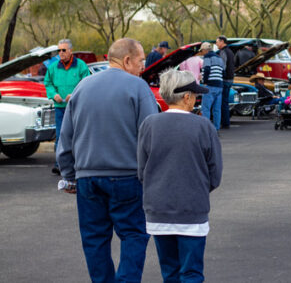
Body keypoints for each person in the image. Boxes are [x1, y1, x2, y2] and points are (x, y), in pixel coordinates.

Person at [56, 38, 157, 283]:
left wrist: (69, 175)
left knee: (94, 239)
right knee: (134, 234)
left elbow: (65, 139)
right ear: (127, 60)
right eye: (141, 61)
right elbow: (150, 136)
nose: (142, 67)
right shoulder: (138, 87)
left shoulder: (82, 87)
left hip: (87, 178)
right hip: (127, 177)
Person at [137, 70, 222, 283]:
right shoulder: (204, 126)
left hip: (158, 210)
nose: (196, 98)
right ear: (186, 97)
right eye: (194, 95)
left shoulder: (149, 124)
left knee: (170, 272)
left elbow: (142, 170)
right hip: (192, 209)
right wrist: (198, 188)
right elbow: (215, 173)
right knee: (191, 272)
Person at [44, 39, 90, 174]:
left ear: (70, 51)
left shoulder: (81, 66)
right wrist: (54, 94)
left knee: (77, 135)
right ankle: (59, 164)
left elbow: (86, 83)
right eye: (59, 50)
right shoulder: (53, 67)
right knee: (60, 135)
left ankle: (79, 163)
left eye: (63, 50)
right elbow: (48, 83)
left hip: (76, 107)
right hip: (60, 107)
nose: (61, 53)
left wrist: (74, 94)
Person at [201, 43, 225, 129]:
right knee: (217, 109)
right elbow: (223, 72)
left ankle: (206, 128)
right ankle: (216, 128)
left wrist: (205, 82)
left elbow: (207, 69)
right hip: (219, 85)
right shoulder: (219, 58)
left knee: (206, 108)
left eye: (202, 51)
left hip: (210, 85)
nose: (202, 52)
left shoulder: (207, 57)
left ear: (205, 50)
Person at [216, 36, 235, 129]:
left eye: (217, 42)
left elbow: (222, 66)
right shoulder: (230, 51)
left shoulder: (223, 52)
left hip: (224, 79)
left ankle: (224, 122)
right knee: (225, 101)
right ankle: (226, 122)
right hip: (230, 78)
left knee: (222, 102)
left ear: (222, 41)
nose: (216, 44)